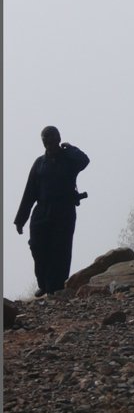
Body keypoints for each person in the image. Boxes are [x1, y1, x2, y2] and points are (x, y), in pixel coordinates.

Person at [14, 126, 90, 297]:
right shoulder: (39, 163)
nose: (49, 142)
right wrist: (21, 219)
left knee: (60, 250)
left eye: (52, 138)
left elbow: (84, 160)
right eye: (45, 139)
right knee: (37, 246)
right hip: (42, 211)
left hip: (64, 211)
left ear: (58, 139)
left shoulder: (69, 160)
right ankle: (43, 283)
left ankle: (56, 288)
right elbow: (29, 193)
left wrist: (70, 148)